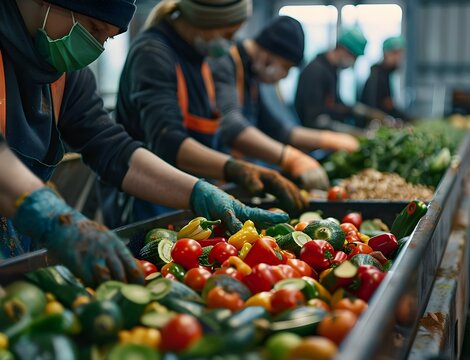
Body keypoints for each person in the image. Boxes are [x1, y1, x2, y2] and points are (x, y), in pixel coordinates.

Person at [0, 0, 288, 286]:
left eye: (107, 38)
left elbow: (111, 147)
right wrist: (50, 215)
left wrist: (200, 193)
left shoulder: (65, 75)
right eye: (94, 27)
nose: (97, 48)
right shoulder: (153, 52)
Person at [111, 0, 307, 228]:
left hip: (188, 198)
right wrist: (238, 169)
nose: (231, 43)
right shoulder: (153, 53)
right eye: (228, 34)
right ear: (202, 21)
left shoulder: (199, 59)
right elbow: (169, 141)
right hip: (148, 201)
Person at [209, 16, 359, 175]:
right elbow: (231, 126)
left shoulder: (252, 76)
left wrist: (328, 139)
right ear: (268, 55)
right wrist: (289, 158)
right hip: (216, 173)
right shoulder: (225, 61)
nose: (285, 76)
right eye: (286, 67)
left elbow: (277, 129)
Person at [295, 28, 387, 132]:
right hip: (312, 137)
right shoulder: (316, 72)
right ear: (342, 49)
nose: (354, 62)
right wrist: (356, 133)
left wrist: (366, 112)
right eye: (354, 56)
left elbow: (336, 105)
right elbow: (315, 120)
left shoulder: (331, 71)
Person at [360, 36, 410, 121]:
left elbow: (390, 108)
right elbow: (372, 111)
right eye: (395, 53)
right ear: (386, 53)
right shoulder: (377, 78)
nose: (399, 58)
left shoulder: (386, 76)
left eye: (401, 54)